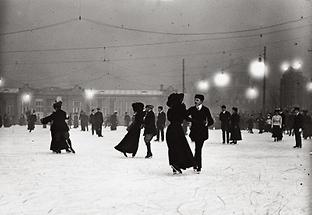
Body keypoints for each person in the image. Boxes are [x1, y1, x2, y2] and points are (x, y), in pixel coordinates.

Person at [166, 93, 194, 174]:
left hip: (171, 129)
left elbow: (170, 118)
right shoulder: (181, 108)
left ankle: (174, 165)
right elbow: (186, 117)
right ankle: (177, 164)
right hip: (177, 130)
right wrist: (197, 121)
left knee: (172, 147)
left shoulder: (170, 109)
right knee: (180, 147)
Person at [186, 94, 214, 173]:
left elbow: (211, 121)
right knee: (197, 149)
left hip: (202, 132)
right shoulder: (192, 109)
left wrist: (206, 124)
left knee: (198, 149)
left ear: (201, 101)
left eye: (197, 100)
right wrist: (191, 120)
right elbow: (185, 115)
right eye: (195, 99)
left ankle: (198, 166)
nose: (195, 101)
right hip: (194, 132)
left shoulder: (205, 109)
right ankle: (195, 164)